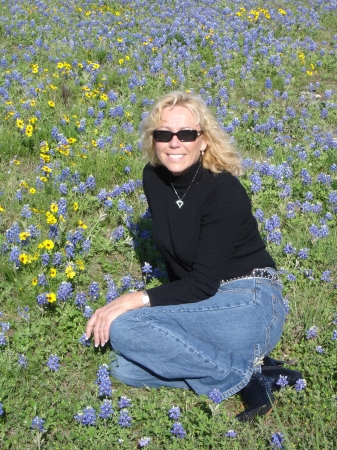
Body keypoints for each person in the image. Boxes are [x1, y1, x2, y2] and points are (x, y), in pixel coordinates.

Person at [86, 91, 302, 422]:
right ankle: (255, 368)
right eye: (164, 134)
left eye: (186, 134)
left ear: (203, 140)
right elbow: (178, 264)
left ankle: (239, 379)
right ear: (153, 140)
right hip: (208, 303)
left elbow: (200, 283)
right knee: (123, 368)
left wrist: (136, 298)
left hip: (251, 304)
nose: (175, 143)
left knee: (126, 329)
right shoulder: (153, 179)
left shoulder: (223, 190)